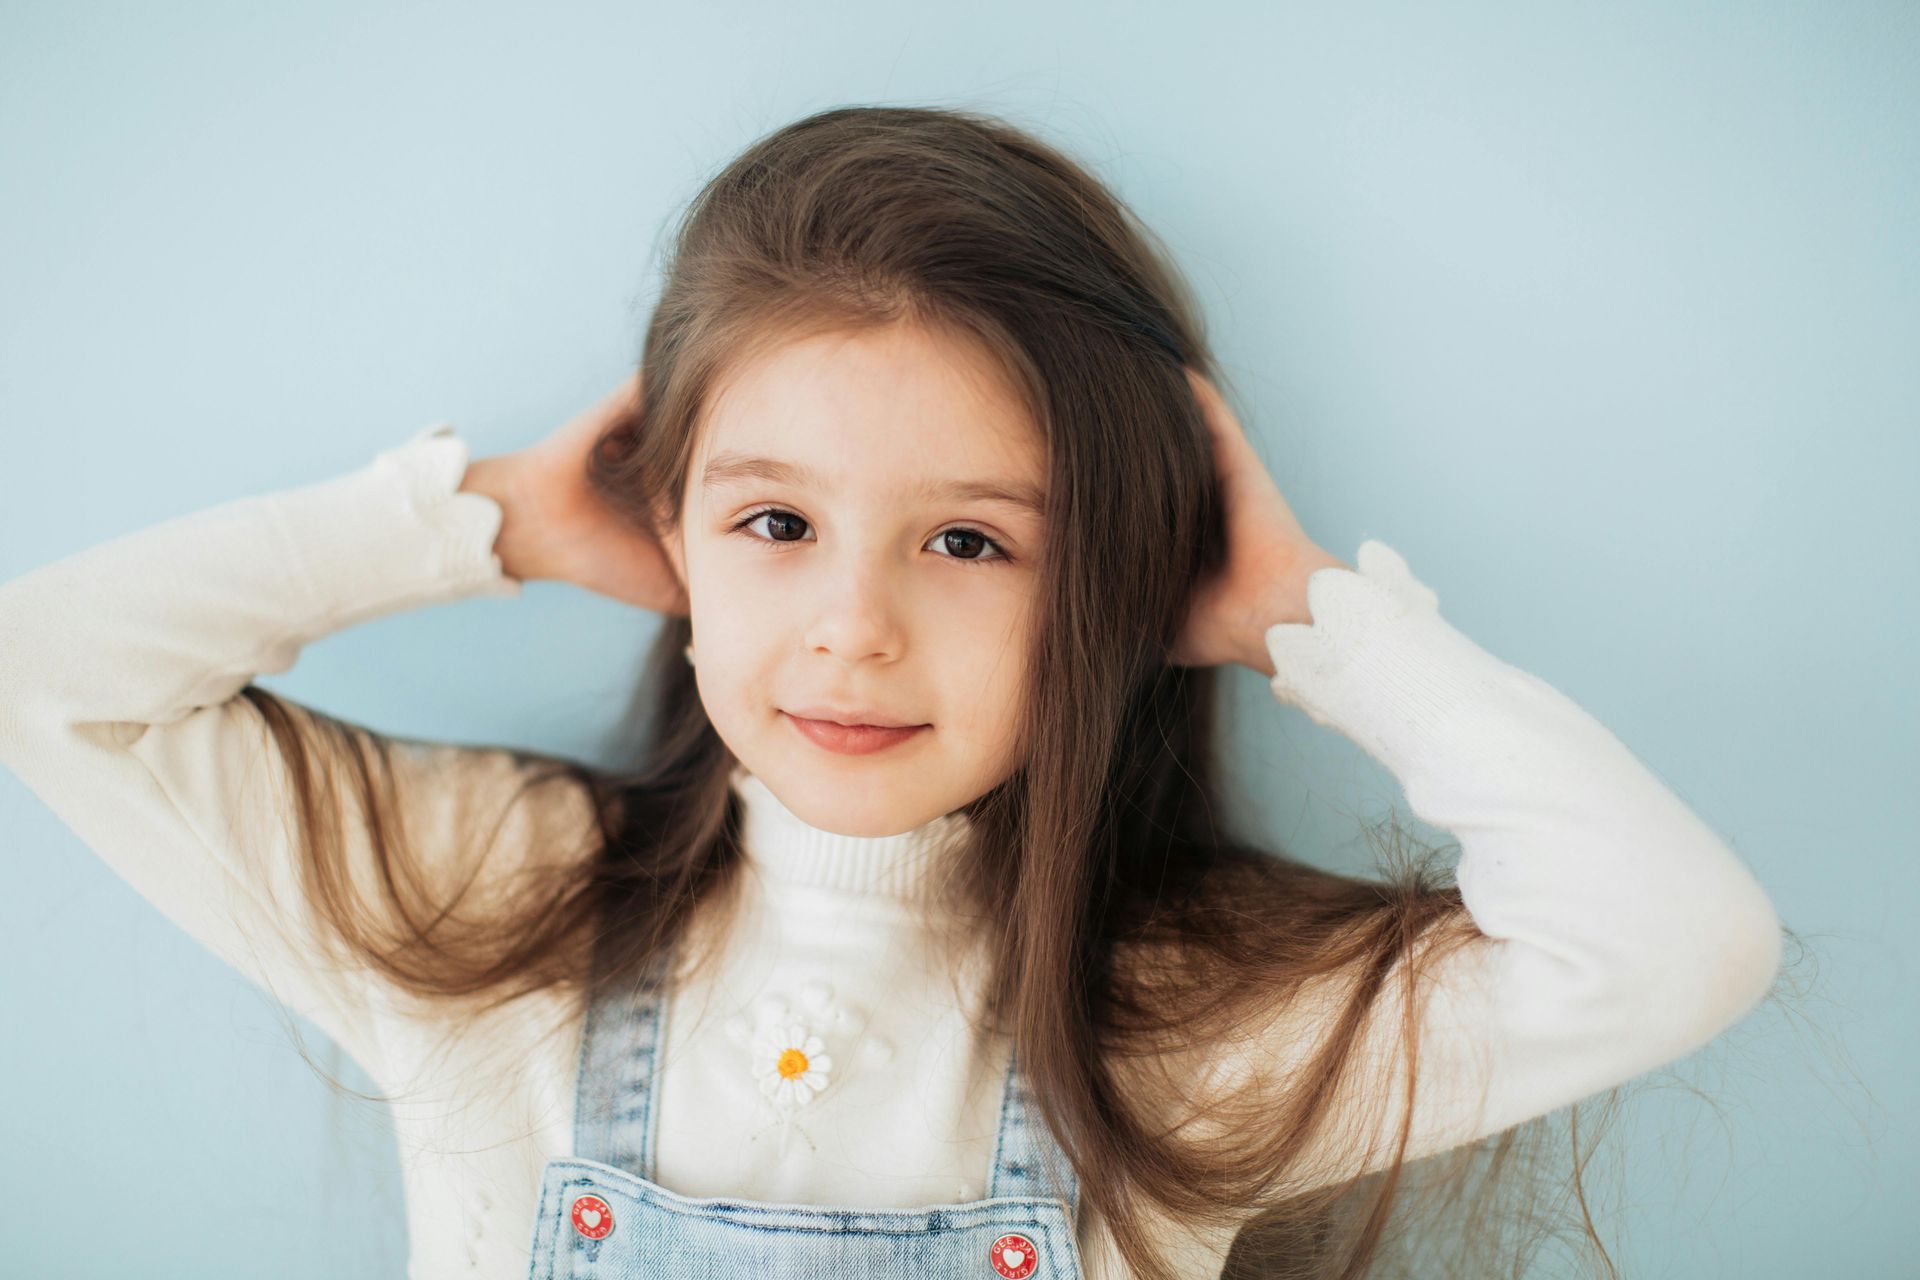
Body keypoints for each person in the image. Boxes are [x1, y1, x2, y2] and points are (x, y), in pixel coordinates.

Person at [0, 105, 1783, 1280]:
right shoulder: (491, 903)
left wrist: (1307, 617)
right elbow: (48, 677)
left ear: (1111, 583)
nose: (851, 626)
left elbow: (1677, 944)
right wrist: (488, 519)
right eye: (776, 520)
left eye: (972, 545)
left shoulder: (1184, 1023)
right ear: (672, 528)